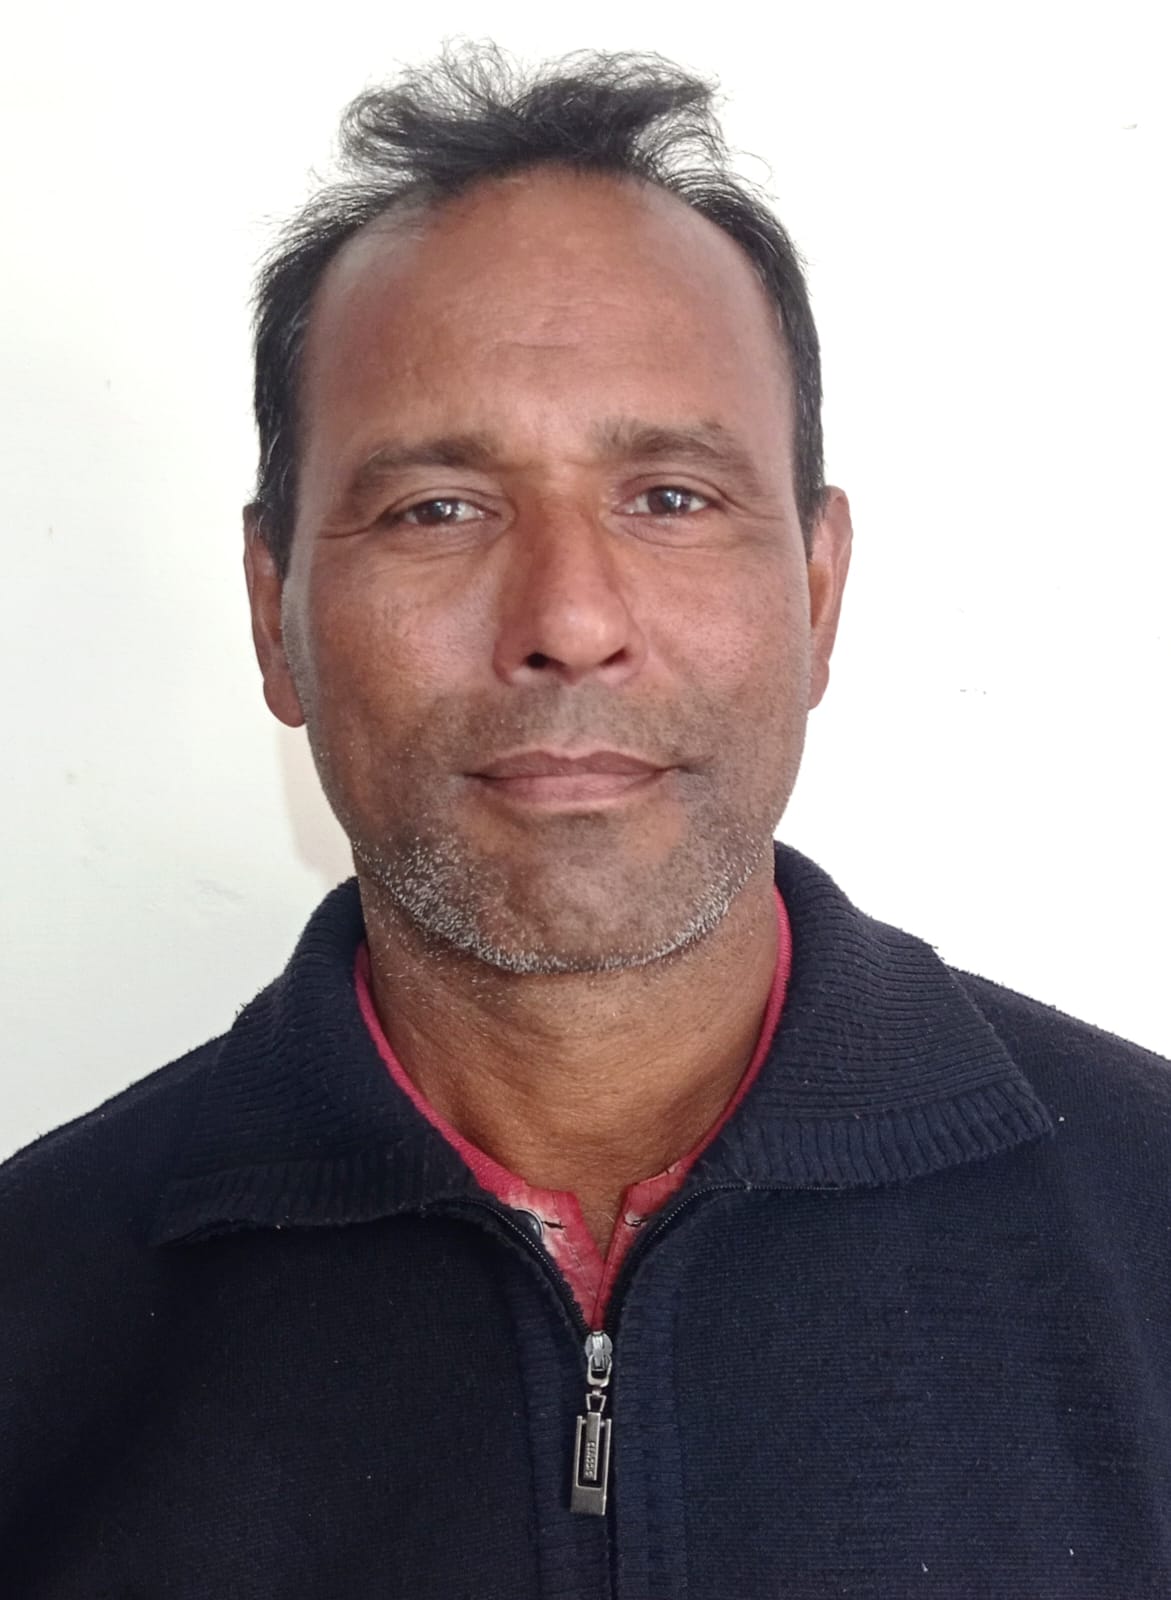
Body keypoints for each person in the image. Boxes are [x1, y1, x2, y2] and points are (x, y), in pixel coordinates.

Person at [1, 43, 1168, 1599]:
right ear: (275, 614)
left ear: (819, 593)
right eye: (437, 509)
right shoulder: (34, 1316)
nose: (568, 620)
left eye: (671, 498)